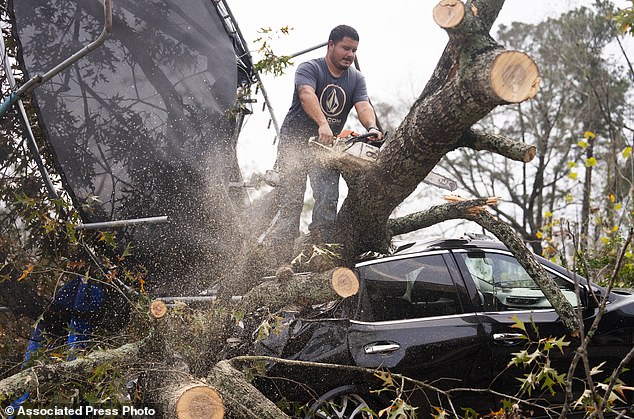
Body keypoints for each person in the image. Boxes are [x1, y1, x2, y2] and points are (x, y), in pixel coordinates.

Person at [266, 24, 382, 262]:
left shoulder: (356, 79)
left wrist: (371, 127)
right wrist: (322, 123)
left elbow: (363, 105)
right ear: (331, 45)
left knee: (328, 197)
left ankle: (321, 252)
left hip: (327, 148)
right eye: (346, 48)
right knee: (291, 201)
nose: (350, 54)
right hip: (295, 142)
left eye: (354, 50)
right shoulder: (310, 68)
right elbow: (306, 95)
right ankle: (280, 261)